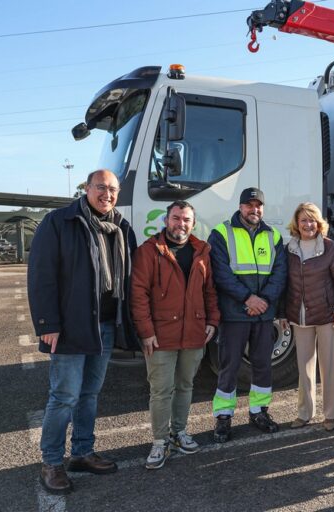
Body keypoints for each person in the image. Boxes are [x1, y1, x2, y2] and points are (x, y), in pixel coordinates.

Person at [28, 169, 138, 495]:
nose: (107, 193)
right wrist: (48, 324)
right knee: (64, 396)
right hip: (70, 326)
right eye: (101, 187)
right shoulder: (60, 221)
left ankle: (82, 452)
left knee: (90, 394)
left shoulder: (121, 226)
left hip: (104, 325)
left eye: (113, 189)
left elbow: (132, 277)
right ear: (86, 188)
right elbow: (41, 275)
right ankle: (51, 462)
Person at [130, 200, 221, 469]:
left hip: (194, 332)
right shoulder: (148, 251)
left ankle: (179, 432)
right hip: (161, 335)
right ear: (166, 220)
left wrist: (212, 322)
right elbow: (138, 295)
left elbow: (210, 292)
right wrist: (146, 331)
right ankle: (160, 441)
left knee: (185, 386)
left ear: (193, 224)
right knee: (161, 391)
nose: (180, 224)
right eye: (176, 218)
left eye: (186, 220)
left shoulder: (202, 251)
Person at [208, 187, 287, 442]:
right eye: (249, 205)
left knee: (263, 365)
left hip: (263, 314)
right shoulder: (221, 233)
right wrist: (247, 298)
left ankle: (259, 412)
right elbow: (220, 273)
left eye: (258, 206)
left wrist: (263, 300)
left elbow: (279, 274)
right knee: (229, 366)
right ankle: (223, 417)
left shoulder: (274, 236)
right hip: (235, 313)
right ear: (240, 207)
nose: (254, 210)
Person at [281, 203, 334, 432]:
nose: (308, 224)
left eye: (312, 220)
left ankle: (331, 414)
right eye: (303, 220)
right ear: (296, 224)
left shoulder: (330, 248)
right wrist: (282, 312)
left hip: (327, 316)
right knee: (304, 368)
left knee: (330, 368)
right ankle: (304, 413)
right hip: (300, 317)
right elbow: (283, 283)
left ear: (319, 223)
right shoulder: (288, 249)